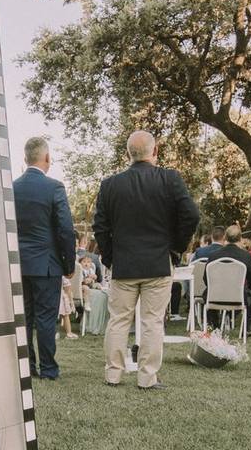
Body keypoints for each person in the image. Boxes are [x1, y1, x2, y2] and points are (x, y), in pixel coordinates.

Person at [94, 130, 200, 390]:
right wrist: (175, 247)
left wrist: (110, 257)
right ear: (155, 151)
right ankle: (146, 377)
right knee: (152, 321)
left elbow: (100, 227)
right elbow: (192, 216)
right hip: (157, 262)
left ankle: (113, 374)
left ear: (128, 154)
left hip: (124, 264)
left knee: (118, 320)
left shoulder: (110, 185)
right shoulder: (169, 179)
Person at [14, 137, 76, 381]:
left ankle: (27, 367)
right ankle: (48, 369)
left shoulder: (11, 188)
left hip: (19, 265)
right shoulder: (54, 187)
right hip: (47, 265)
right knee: (46, 318)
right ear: (47, 158)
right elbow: (65, 229)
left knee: (25, 318)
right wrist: (69, 264)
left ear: (25, 158)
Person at [204, 224, 251, 334]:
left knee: (207, 292)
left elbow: (206, 279)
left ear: (225, 238)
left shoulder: (213, 255)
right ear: (240, 239)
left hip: (215, 295)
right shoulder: (245, 256)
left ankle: (215, 326)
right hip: (238, 296)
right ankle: (246, 328)